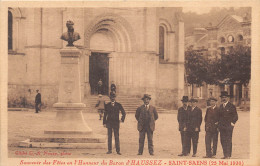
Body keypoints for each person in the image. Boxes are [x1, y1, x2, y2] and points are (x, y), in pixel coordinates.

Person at [218, 91, 238, 159]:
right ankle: (225, 155)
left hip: (228, 127)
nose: (224, 99)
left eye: (225, 97)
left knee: (228, 140)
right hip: (222, 127)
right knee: (222, 140)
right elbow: (219, 117)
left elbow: (235, 116)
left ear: (228, 98)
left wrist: (232, 124)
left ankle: (228, 155)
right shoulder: (220, 106)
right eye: (222, 97)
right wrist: (218, 126)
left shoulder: (231, 106)